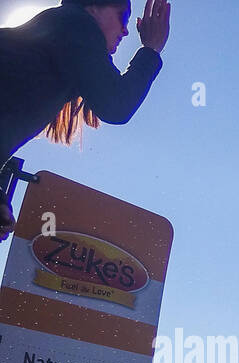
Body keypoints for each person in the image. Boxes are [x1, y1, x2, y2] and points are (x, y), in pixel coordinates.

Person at [1, 0, 171, 241]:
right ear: (93, 7)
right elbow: (116, 104)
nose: (126, 30)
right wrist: (151, 49)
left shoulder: (54, 37)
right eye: (122, 17)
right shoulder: (76, 25)